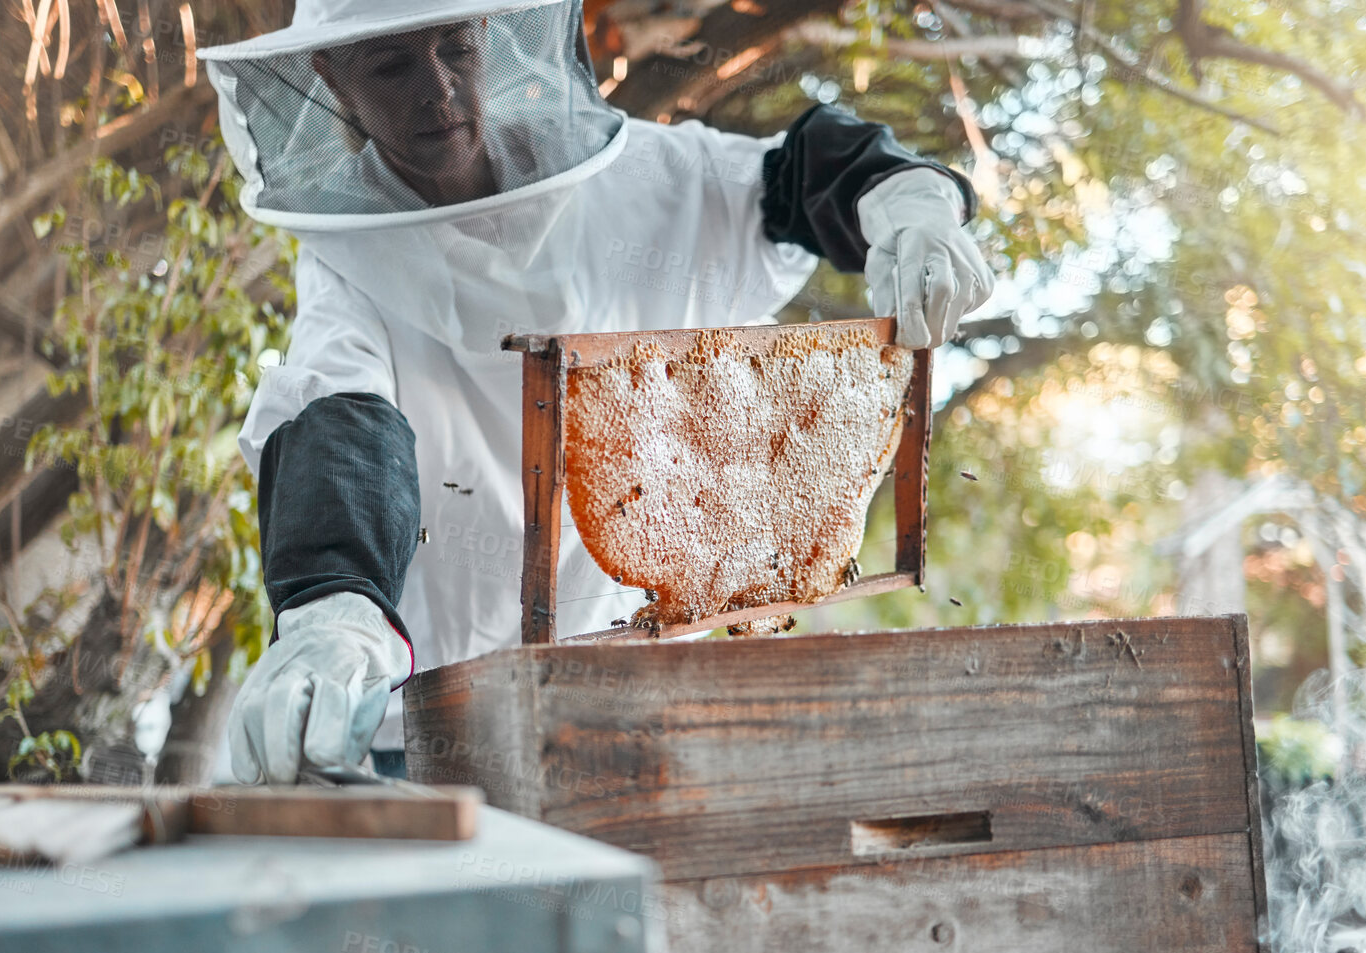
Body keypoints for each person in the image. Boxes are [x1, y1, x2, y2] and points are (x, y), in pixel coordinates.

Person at [199, 0, 994, 785]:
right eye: (391, 64)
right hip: (442, 713)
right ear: (330, 75)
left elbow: (796, 176)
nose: (436, 89)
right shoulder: (348, 253)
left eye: (454, 50)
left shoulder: (637, 176)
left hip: (643, 694)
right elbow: (340, 417)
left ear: (489, 36)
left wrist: (907, 204)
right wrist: (335, 605)